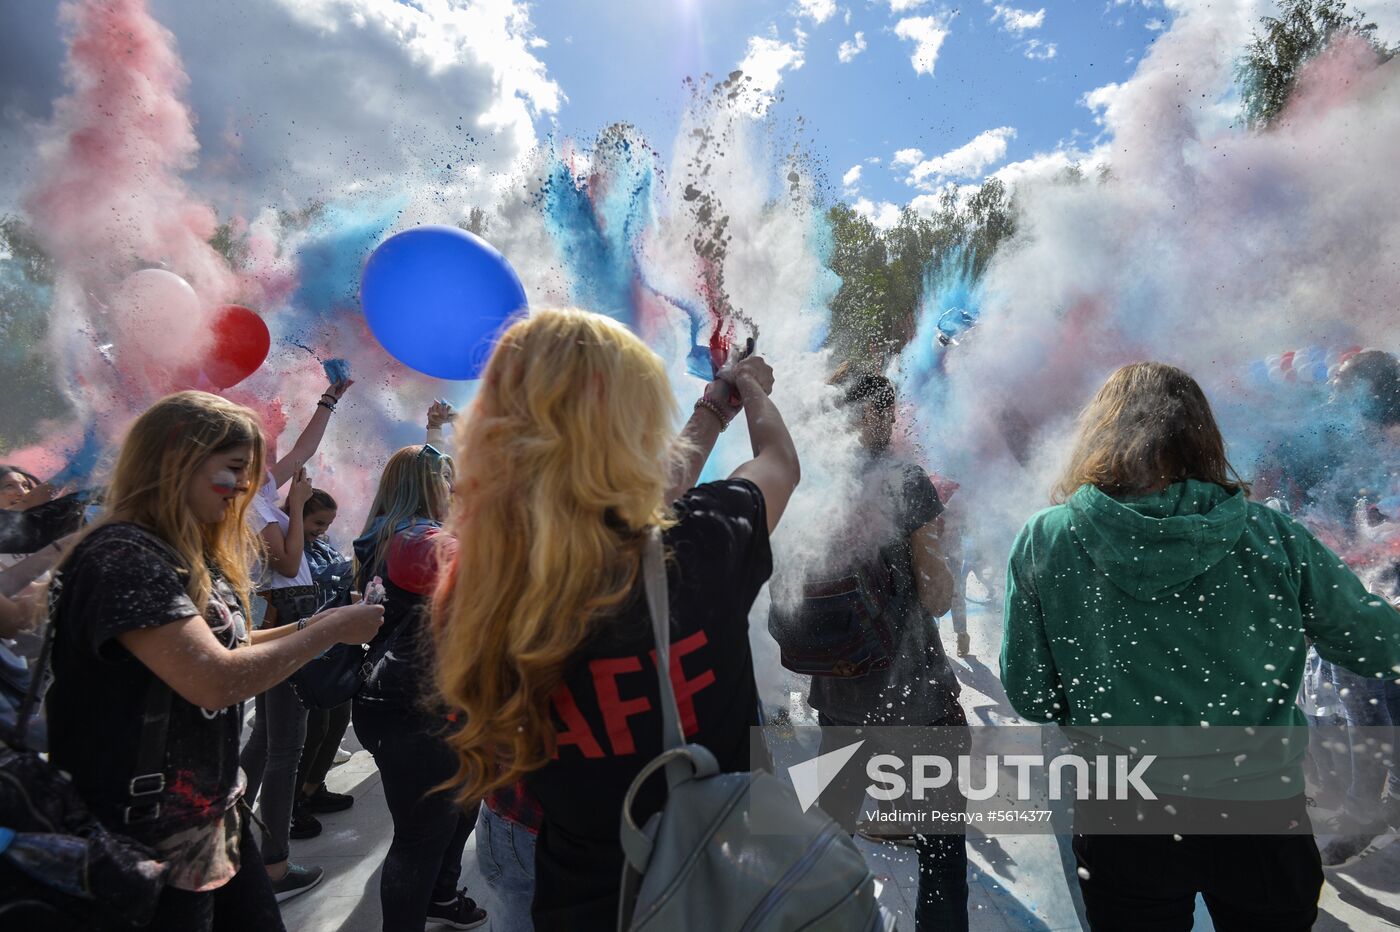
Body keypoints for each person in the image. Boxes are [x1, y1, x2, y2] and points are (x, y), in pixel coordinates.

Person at [432, 308, 801, 931]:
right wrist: (753, 390)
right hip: (704, 866)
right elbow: (778, 465)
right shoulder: (702, 544)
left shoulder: (476, 583)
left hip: (539, 857)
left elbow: (637, 498)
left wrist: (713, 409)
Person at [1001, 362, 1400, 930]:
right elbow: (1379, 645)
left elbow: (1032, 695)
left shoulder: (1048, 539)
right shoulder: (1272, 537)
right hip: (1260, 811)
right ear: (1202, 438)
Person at [42, 390, 382, 932]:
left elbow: (225, 647)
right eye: (232, 469)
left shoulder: (176, 553)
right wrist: (333, 630)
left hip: (209, 820)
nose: (246, 488)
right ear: (177, 460)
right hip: (145, 841)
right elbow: (212, 680)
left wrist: (313, 624)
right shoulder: (123, 559)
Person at [803, 373, 967, 932]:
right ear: (880, 416)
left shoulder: (810, 483)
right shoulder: (904, 480)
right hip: (916, 698)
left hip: (836, 695)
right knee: (941, 848)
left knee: (828, 839)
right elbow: (937, 595)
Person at [352, 444, 488, 932]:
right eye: (445, 479)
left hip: (426, 702)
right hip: (411, 709)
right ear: (423, 486)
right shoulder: (413, 539)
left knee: (460, 810)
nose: (453, 488)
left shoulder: (396, 533)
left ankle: (442, 897)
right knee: (420, 836)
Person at [238, 379, 353, 900]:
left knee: (265, 744)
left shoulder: (260, 490)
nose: (277, 454)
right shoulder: (254, 504)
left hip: (294, 614)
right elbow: (285, 562)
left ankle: (232, 832)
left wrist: (329, 400)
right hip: (283, 617)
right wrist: (299, 503)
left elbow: (307, 448)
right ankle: (274, 865)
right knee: (286, 748)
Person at [292, 488, 356, 826]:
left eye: (328, 523)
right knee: (315, 729)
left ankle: (314, 787)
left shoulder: (321, 546)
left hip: (335, 648)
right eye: (317, 522)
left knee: (337, 721)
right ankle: (293, 799)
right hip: (309, 653)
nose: (322, 529)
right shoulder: (289, 550)